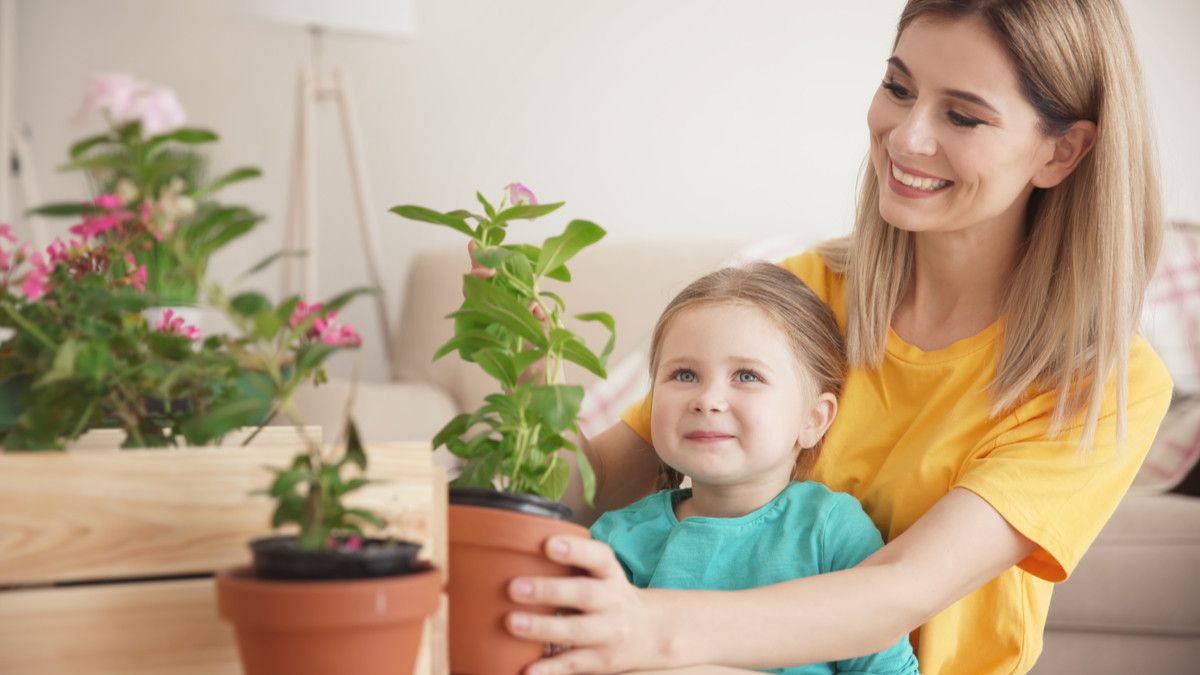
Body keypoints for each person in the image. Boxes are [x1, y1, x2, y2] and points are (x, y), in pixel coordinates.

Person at [493, 1, 1173, 673]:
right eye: (897, 88)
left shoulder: (1099, 380)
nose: (906, 137)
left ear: (1062, 151)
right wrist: (528, 392)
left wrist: (650, 627)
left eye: (962, 115)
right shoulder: (797, 294)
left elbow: (900, 588)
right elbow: (605, 479)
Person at [588, 262, 919, 674]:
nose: (708, 399)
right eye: (684, 374)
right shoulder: (618, 539)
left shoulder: (830, 531)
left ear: (814, 419)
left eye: (746, 375)